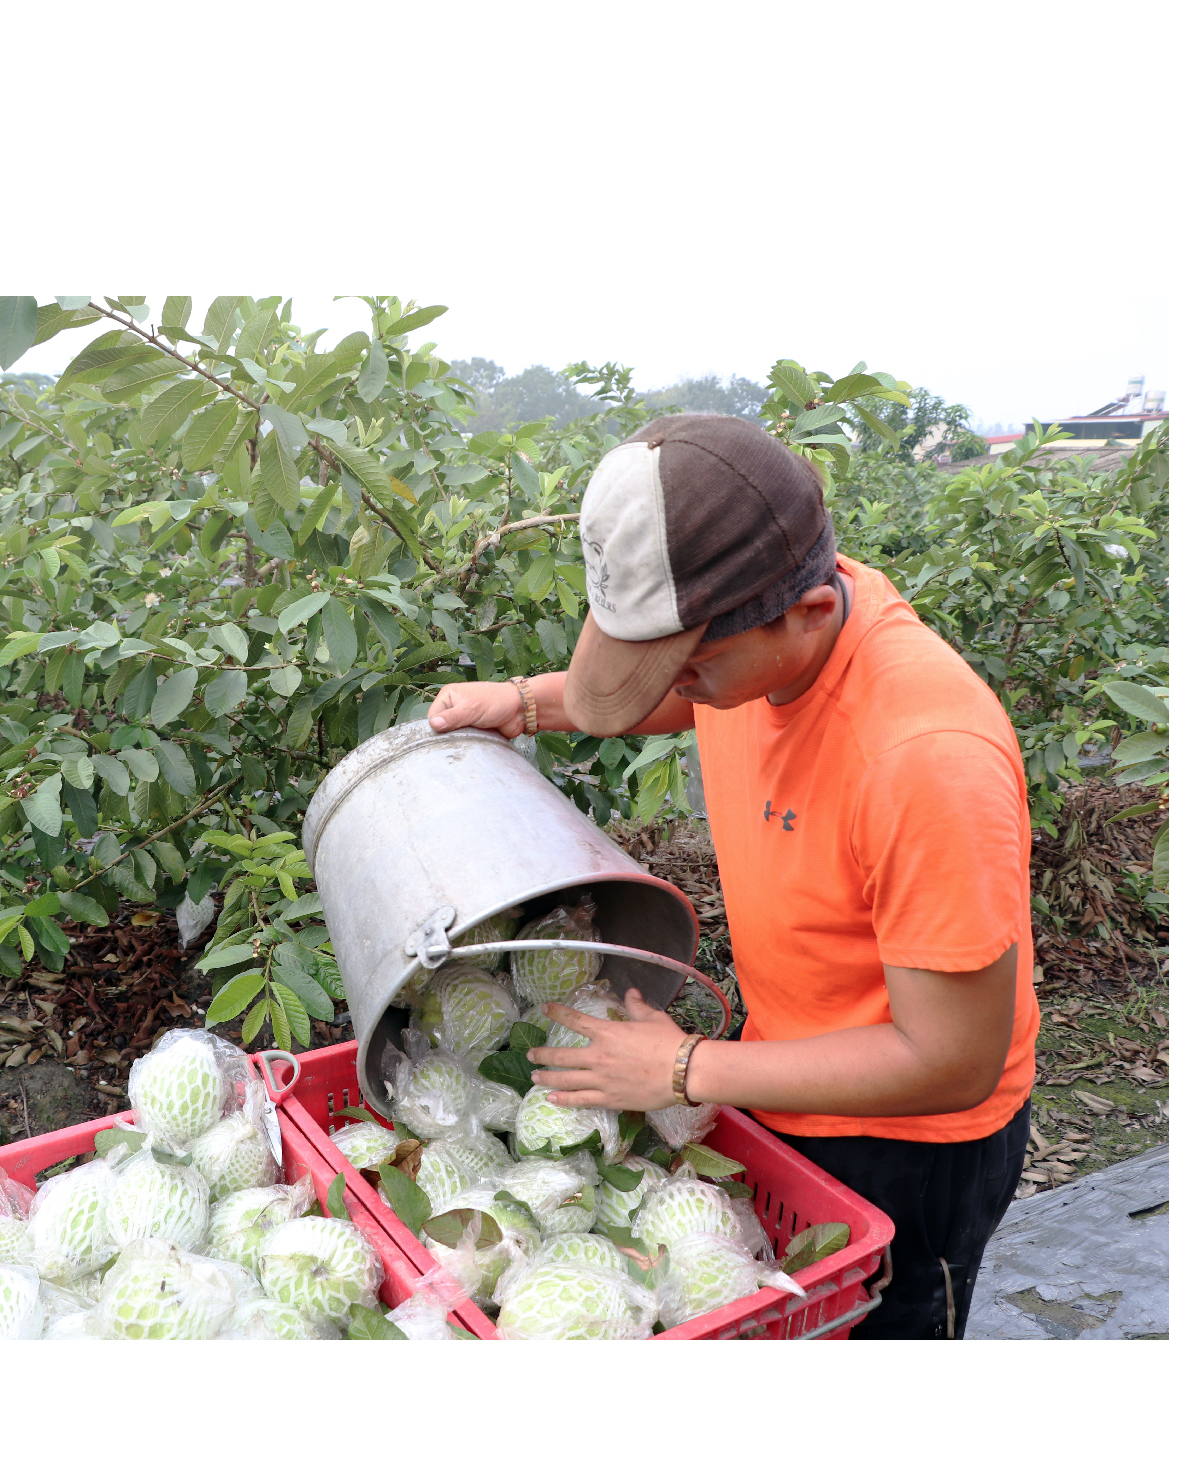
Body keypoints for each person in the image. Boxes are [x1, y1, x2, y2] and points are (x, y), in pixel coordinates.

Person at [427, 413, 1037, 1339]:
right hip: (780, 1063)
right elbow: (683, 693)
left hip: (908, 1142)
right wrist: (526, 703)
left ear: (810, 614)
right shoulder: (769, 632)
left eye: (692, 666)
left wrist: (681, 1066)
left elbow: (951, 1061)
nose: (683, 686)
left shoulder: (924, 760)